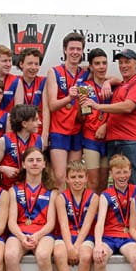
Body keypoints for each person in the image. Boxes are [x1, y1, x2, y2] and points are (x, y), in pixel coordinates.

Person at [80, 49, 136, 186]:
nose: (123, 65)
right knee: (118, 186)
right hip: (113, 141)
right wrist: (108, 82)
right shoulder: (120, 85)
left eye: (127, 62)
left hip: (131, 141)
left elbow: (128, 107)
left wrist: (98, 106)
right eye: (121, 62)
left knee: (134, 184)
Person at [4, 147, 57, 271]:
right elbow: (11, 222)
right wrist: (22, 237)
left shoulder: (52, 191)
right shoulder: (14, 190)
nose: (35, 163)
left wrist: (36, 236)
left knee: (43, 255)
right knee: (10, 255)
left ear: (44, 164)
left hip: (43, 233)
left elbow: (51, 222)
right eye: (31, 160)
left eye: (38, 160)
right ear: (23, 164)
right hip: (19, 233)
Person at [54, 160, 99, 271]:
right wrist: (70, 247)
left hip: (85, 236)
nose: (77, 180)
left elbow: (87, 224)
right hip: (65, 236)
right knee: (59, 254)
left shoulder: (94, 197)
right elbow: (63, 224)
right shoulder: (61, 198)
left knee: (86, 256)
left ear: (86, 178)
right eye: (73, 177)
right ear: (67, 179)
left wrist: (77, 246)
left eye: (80, 176)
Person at [46, 32, 89, 188]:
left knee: (74, 176)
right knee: (59, 177)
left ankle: (71, 204)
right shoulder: (54, 72)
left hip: (77, 130)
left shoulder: (85, 73)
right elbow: (52, 105)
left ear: (82, 51)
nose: (75, 52)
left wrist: (107, 83)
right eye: (72, 48)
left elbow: (108, 78)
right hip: (58, 130)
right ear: (65, 50)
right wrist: (69, 98)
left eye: (78, 49)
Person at [79, 48, 110, 193]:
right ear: (91, 67)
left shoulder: (113, 86)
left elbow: (119, 113)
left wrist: (105, 125)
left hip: (108, 137)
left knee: (104, 182)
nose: (101, 67)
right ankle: (90, 207)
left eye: (104, 63)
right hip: (91, 137)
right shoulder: (84, 87)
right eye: (97, 63)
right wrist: (81, 109)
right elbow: (82, 117)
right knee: (93, 182)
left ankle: (101, 207)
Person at [0, 104, 43, 190]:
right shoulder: (4, 140)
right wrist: (3, 169)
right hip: (7, 188)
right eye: (35, 120)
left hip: (30, 189)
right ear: (24, 124)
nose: (39, 123)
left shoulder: (39, 140)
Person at [16, 47, 50, 146]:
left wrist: (45, 134)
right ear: (21, 64)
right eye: (30, 63)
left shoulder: (44, 81)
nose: (33, 67)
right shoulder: (15, 81)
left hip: (38, 130)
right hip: (21, 132)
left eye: (36, 64)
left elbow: (46, 109)